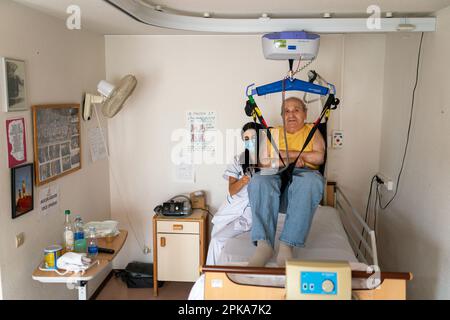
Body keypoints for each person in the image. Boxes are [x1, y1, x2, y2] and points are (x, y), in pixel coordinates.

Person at [247, 97, 325, 267]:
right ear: (282, 115)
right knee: (258, 180)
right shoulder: (273, 133)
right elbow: (264, 161)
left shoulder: (312, 131)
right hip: (276, 177)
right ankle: (264, 245)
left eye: (296, 109)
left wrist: (289, 155)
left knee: (311, 181)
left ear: (305, 113)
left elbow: (318, 157)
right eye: (287, 111)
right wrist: (294, 158)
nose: (291, 114)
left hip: (303, 179)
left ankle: (287, 245)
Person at [206, 122, 264, 265]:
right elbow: (231, 190)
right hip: (231, 208)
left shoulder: (269, 160)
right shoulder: (239, 160)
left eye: (253, 138)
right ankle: (211, 279)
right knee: (215, 236)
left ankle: (213, 279)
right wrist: (244, 180)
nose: (250, 142)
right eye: (246, 139)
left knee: (217, 241)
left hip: (248, 214)